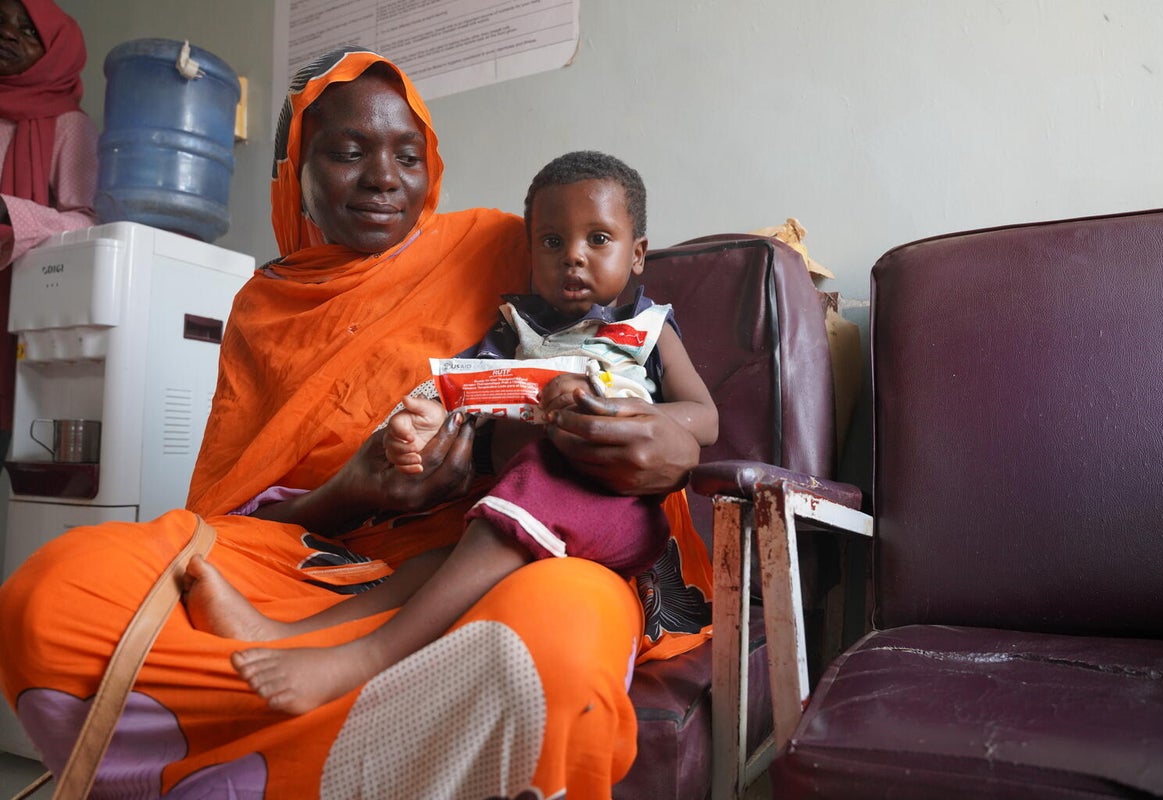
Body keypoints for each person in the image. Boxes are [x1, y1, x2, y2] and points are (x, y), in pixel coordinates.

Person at [0, 48, 714, 798]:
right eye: (347, 152)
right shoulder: (261, 307)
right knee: (51, 603)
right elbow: (226, 508)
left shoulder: (503, 249)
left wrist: (669, 445)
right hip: (309, 562)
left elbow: (628, 371)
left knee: (554, 643)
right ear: (293, 175)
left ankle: (274, 748)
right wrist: (355, 489)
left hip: (504, 558)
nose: (383, 178)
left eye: (408, 155)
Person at [181, 150, 719, 716]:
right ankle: (284, 635)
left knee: (520, 499)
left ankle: (364, 660)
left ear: (637, 256)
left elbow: (705, 417)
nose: (574, 259)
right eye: (553, 243)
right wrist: (416, 428)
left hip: (617, 511)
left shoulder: (647, 329)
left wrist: (642, 420)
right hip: (514, 511)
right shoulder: (517, 328)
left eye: (599, 240)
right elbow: (457, 396)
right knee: (437, 563)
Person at [0, 0, 97, 460]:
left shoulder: (68, 124)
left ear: (57, 49)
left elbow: (87, 220)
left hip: (13, 315)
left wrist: (9, 212)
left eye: (28, 30)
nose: (8, 35)